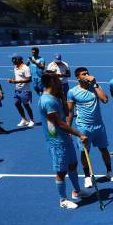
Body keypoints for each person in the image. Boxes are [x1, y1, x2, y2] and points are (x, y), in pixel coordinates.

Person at [38, 72, 92, 209]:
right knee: (61, 171)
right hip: (56, 141)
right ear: (51, 82)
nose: (60, 81)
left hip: (65, 138)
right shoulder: (47, 101)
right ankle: (63, 200)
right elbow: (59, 123)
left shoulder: (54, 97)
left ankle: (77, 191)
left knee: (73, 165)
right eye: (57, 80)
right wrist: (79, 134)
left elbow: (67, 113)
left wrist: (62, 96)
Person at [67, 67, 113, 188]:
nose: (86, 75)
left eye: (87, 73)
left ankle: (109, 172)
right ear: (77, 77)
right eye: (83, 74)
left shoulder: (94, 87)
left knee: (104, 149)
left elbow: (105, 99)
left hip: (99, 125)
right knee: (85, 152)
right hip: (83, 126)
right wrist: (68, 128)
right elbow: (69, 111)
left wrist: (95, 84)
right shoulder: (72, 92)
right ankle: (87, 177)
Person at [8, 54, 35, 127]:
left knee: (26, 106)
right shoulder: (15, 67)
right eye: (12, 59)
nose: (13, 61)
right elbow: (18, 77)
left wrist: (16, 82)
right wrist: (13, 80)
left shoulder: (26, 68)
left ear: (19, 60)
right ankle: (24, 119)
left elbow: (29, 79)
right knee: (17, 104)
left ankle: (32, 120)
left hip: (25, 90)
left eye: (14, 59)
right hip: (17, 90)